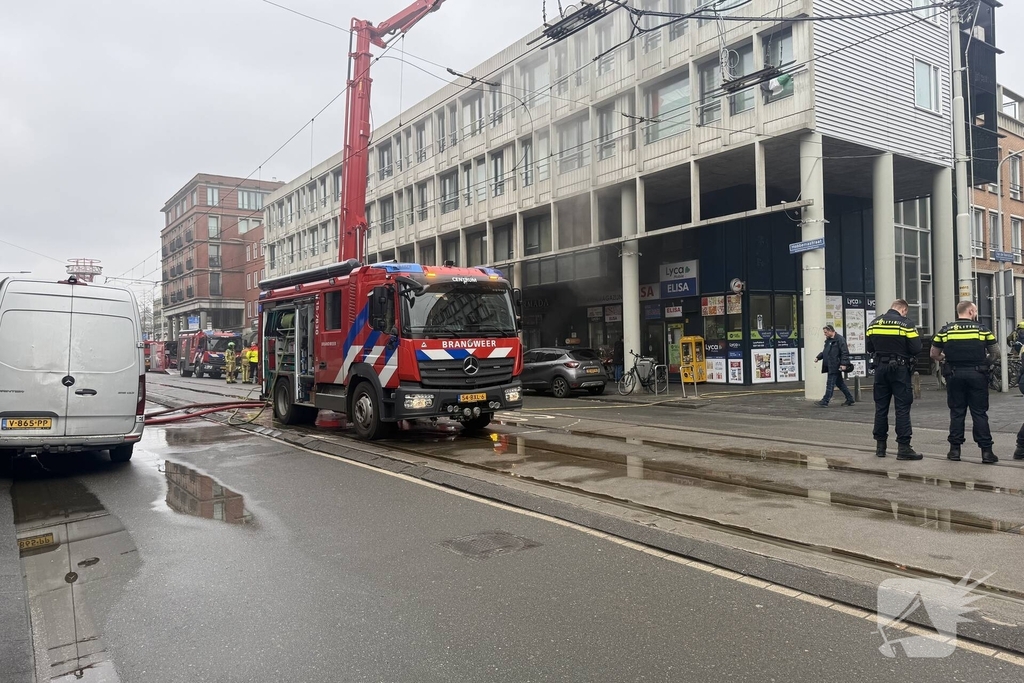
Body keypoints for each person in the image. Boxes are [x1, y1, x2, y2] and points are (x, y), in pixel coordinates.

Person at [931, 301, 998, 464]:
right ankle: (986, 452)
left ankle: (955, 451)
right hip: (977, 375)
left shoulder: (945, 331)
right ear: (971, 311)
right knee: (979, 413)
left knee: (957, 412)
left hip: (954, 375)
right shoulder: (982, 330)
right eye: (975, 311)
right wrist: (985, 363)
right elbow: (995, 353)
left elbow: (934, 353)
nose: (976, 313)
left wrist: (944, 359)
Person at [866, 299, 922, 460]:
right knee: (902, 408)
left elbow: (870, 347)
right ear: (903, 309)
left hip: (880, 369)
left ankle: (880, 447)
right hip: (900, 370)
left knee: (881, 408)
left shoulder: (874, 323)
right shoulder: (906, 324)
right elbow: (916, 348)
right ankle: (904, 448)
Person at [814, 324, 854, 407]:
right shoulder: (828, 340)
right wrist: (818, 357)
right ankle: (850, 399)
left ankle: (825, 401)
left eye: (825, 332)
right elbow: (825, 352)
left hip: (835, 365)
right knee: (840, 384)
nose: (824, 334)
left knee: (830, 383)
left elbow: (844, 352)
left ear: (830, 331)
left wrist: (843, 364)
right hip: (830, 365)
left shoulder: (840, 339)